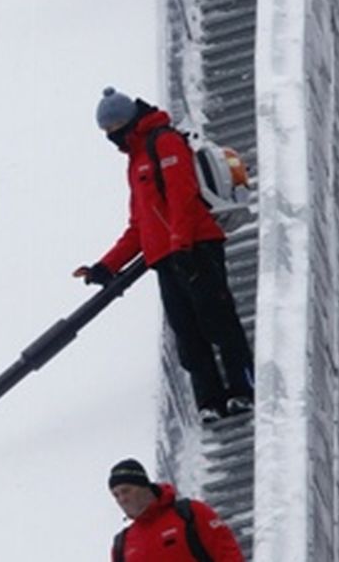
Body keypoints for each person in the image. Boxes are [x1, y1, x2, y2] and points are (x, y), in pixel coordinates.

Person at [75, 88, 253, 424]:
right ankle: (210, 401)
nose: (110, 136)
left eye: (112, 127)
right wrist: (106, 265)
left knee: (219, 322)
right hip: (167, 259)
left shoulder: (164, 141)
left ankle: (243, 389)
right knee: (188, 334)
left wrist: (181, 243)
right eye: (105, 131)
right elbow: (139, 226)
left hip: (196, 247)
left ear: (125, 121)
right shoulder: (136, 161)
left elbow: (182, 196)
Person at [107, 458, 244, 562]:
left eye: (126, 491)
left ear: (144, 487)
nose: (122, 499)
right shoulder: (122, 544)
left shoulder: (190, 513)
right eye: (116, 495)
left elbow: (229, 556)